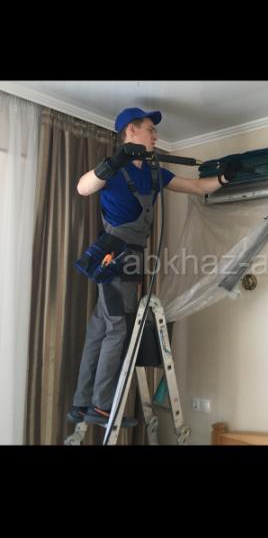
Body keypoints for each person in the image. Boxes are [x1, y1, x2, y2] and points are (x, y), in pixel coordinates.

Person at [68, 106, 240, 428]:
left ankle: (81, 403)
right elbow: (83, 187)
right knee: (116, 328)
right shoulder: (113, 170)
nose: (156, 135)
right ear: (130, 131)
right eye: (150, 129)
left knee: (100, 327)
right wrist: (114, 161)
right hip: (115, 257)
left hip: (133, 257)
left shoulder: (153, 173)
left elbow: (196, 187)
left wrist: (224, 178)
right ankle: (101, 406)